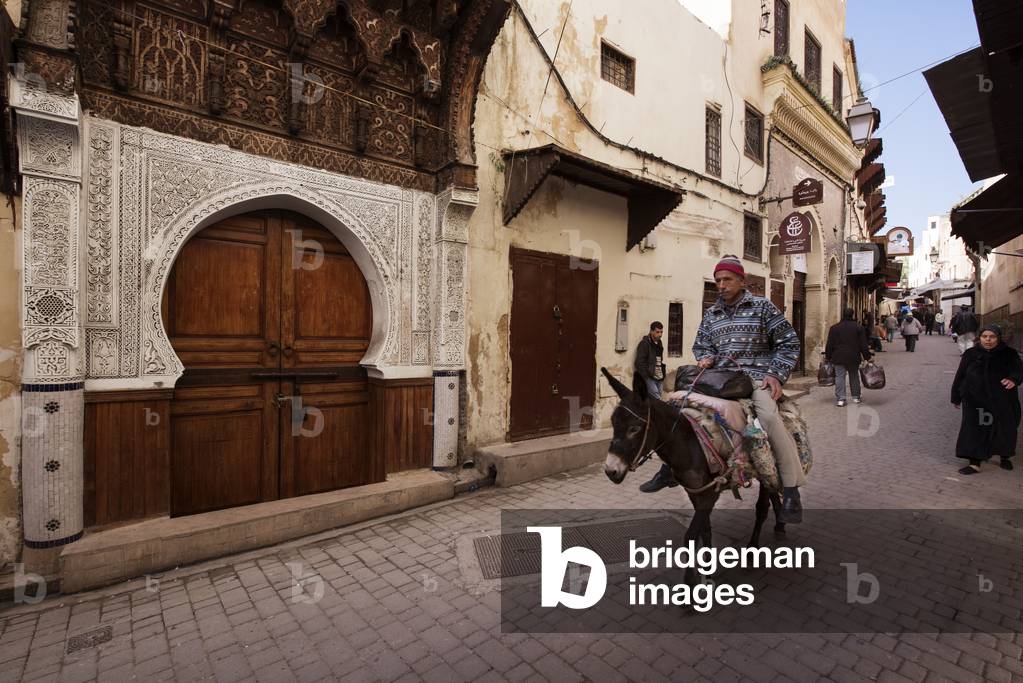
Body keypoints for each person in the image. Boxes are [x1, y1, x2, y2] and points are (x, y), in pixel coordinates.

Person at [640, 255, 805, 524]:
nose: (721, 284)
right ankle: (669, 468)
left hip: (755, 378)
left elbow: (789, 343)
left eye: (727, 279)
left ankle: (790, 489)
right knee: (677, 407)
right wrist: (704, 357)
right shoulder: (712, 313)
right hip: (719, 379)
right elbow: (701, 345)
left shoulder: (762, 307)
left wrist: (775, 374)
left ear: (742, 280)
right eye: (717, 280)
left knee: (769, 418)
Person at [951, 324, 1023, 475]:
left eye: (992, 337)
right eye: (985, 337)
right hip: (974, 400)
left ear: (998, 337)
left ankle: (1005, 457)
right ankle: (974, 463)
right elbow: (960, 375)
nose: (988, 340)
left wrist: (1014, 379)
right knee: (974, 429)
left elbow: (1018, 371)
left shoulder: (1009, 353)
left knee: (1004, 428)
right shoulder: (970, 354)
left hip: (1002, 399)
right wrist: (956, 396)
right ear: (980, 338)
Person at [826, 309, 873, 406]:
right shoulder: (858, 328)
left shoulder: (834, 328)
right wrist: (867, 357)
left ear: (843, 315)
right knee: (854, 376)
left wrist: (828, 356)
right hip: (853, 356)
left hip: (838, 356)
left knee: (839, 377)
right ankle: (856, 397)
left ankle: (841, 399)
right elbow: (863, 344)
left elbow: (829, 344)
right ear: (853, 315)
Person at [634, 321, 666, 400]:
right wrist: (646, 377)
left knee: (656, 399)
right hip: (650, 377)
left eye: (661, 332)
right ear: (651, 331)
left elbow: (659, 359)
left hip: (659, 377)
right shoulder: (644, 344)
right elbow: (639, 363)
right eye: (657, 332)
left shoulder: (659, 343)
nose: (660, 334)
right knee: (658, 399)